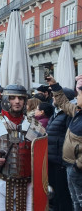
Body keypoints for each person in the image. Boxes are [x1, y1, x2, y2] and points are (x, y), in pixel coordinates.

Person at [0, 84, 42, 211]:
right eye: (12, 98)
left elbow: (41, 154)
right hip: (3, 182)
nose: (17, 101)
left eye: (20, 98)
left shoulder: (33, 124)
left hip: (28, 184)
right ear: (5, 100)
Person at [46, 76, 82, 211]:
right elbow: (64, 103)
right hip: (69, 165)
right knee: (74, 201)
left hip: (76, 168)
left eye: (79, 95)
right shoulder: (78, 112)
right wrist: (55, 85)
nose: (77, 98)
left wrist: (78, 166)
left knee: (77, 202)